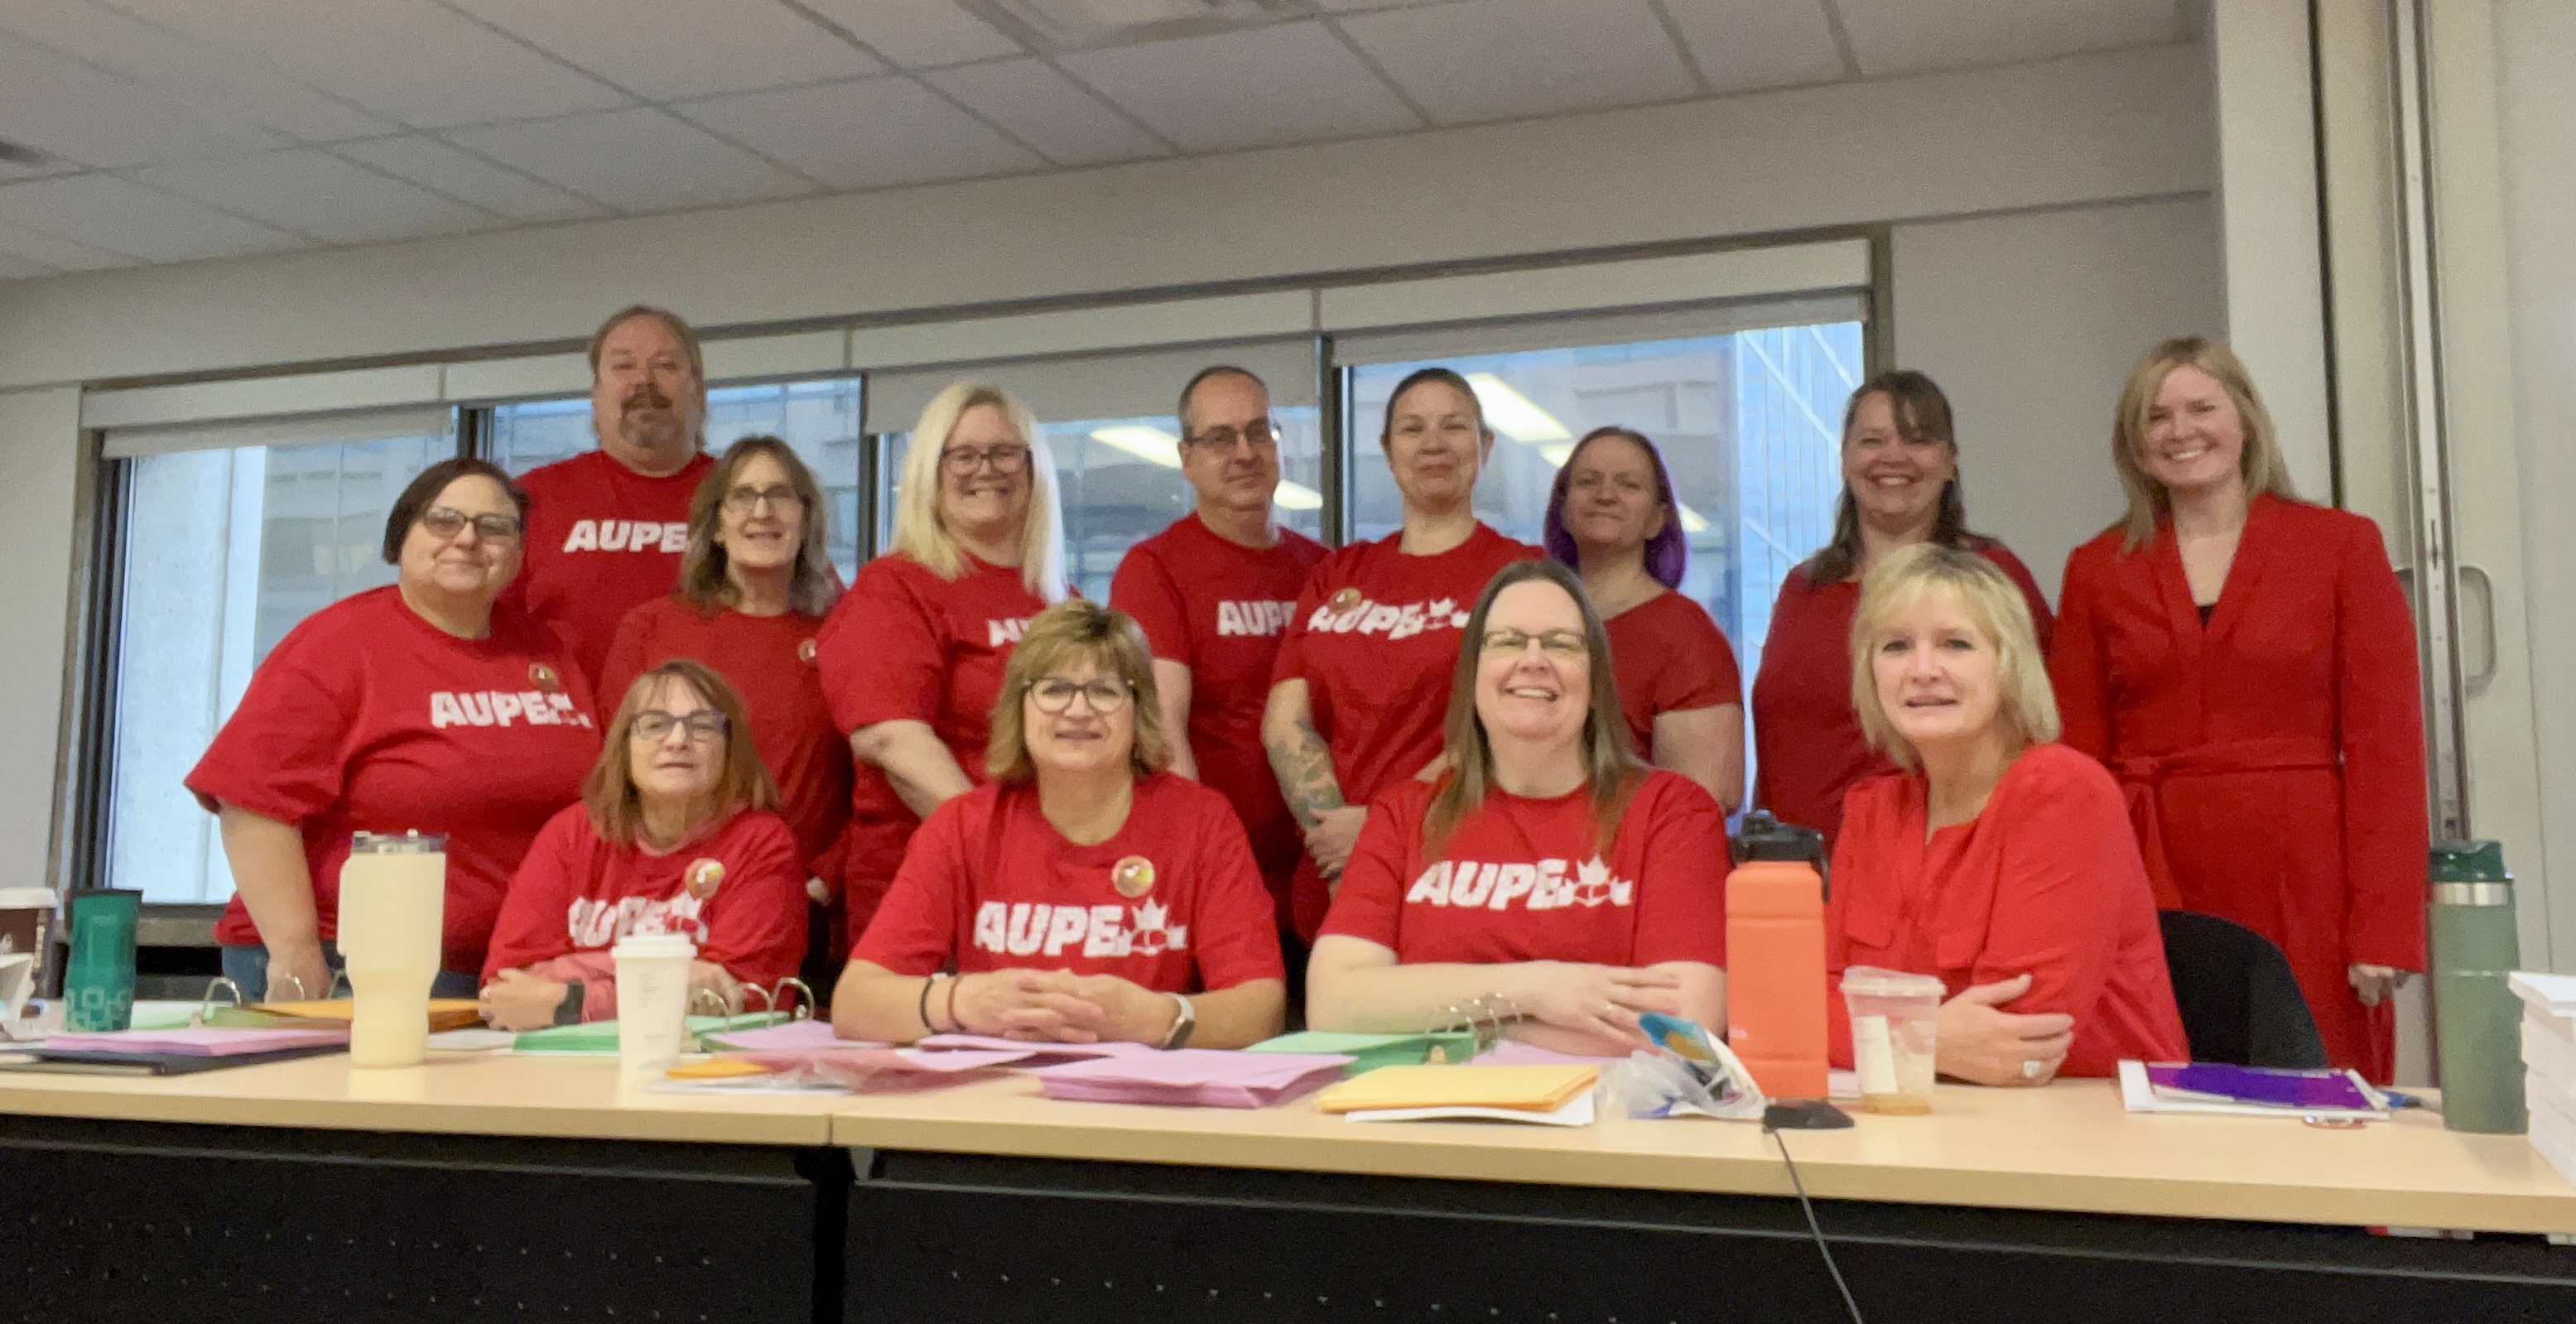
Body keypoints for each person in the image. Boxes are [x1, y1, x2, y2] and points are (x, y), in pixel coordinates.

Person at [2051, 336, 2426, 1083]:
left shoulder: (2340, 546)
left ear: (2245, 420)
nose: (2179, 430)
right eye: (2155, 416)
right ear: (2134, 441)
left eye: (2200, 408)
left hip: (2303, 875)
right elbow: (2072, 764)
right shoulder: (2095, 568)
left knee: (2317, 1084)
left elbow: (2388, 746)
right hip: (2148, 873)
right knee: (2165, 1089)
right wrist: (2070, 914)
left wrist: (2383, 923)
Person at [185, 459, 601, 1003]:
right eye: (444, 520)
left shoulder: (545, 650)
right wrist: (295, 952)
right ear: (400, 537)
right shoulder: (338, 645)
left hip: (505, 973)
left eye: (494, 526)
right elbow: (253, 805)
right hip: (347, 964)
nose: (468, 539)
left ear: (519, 551)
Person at [1304, 560, 1730, 1057]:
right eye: (1507, 641)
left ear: (1595, 681)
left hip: (1603, 1124)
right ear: (1474, 675)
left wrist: (1437, 1021)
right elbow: (1334, 1005)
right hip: (1424, 1121)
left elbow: (1682, 1028)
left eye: (1560, 644)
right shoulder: (1404, 815)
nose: (1533, 660)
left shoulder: (1670, 813)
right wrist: (1539, 990)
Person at [834, 600, 1286, 1047]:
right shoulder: (962, 825)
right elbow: (855, 1003)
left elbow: (1260, 1008)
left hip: (1142, 1101)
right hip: (995, 1095)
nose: (1078, 711)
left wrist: (1154, 1017)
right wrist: (962, 1001)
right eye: (1054, 690)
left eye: (1105, 691)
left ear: (1139, 709)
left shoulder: (1201, 822)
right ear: (1020, 707)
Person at [1830, 543, 2187, 1084]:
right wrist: (1928, 1040)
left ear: (2008, 665)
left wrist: (1878, 1036)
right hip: (1923, 1119)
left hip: (2093, 1128)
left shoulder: (2064, 794)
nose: (1922, 670)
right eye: (1896, 645)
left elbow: (2018, 1044)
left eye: (1955, 644)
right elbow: (1796, 1015)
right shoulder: (1870, 810)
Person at [1264, 367, 1540, 901]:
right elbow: (1286, 723)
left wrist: (1380, 828)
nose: (1434, 443)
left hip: (1458, 874)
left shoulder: (1521, 574)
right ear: (1388, 451)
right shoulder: (1338, 573)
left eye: (1454, 426)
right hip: (1334, 879)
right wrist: (1336, 838)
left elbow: (1506, 732)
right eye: (1413, 429)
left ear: (1485, 446)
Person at [1750, 370, 2054, 843]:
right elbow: (1778, 746)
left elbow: (2041, 723)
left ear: (1951, 462)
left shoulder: (1993, 578)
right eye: (1872, 440)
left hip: (1946, 862)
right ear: (1845, 460)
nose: (1893, 456)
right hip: (1802, 875)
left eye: (1918, 440)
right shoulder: (1804, 589)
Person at [817, 382, 1070, 946]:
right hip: (932, 893)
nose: (987, 469)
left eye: (1006, 452)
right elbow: (894, 743)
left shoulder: (1061, 600)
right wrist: (1006, 858)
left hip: (1051, 894)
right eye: (963, 455)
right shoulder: (894, 588)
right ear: (931, 470)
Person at [600, 436, 852, 976]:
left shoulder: (845, 633)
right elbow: (613, 773)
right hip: (671, 913)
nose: (762, 511)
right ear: (714, 524)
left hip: (805, 912)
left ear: (807, 519)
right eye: (743, 496)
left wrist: (825, 878)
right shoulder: (652, 629)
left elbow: (874, 781)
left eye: (781, 495)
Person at [1111, 366, 1328, 943]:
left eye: (1259, 432)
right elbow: (1163, 727)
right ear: (1187, 458)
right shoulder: (1155, 567)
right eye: (1219, 438)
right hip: (1218, 879)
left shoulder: (1322, 569)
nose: (1244, 452)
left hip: (1322, 873)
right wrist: (1212, 859)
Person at [480, 661, 807, 1028]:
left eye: (701, 726)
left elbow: (733, 999)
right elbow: (505, 992)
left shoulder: (761, 843)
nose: (677, 741)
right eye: (654, 725)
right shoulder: (570, 834)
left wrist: (569, 999)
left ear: (730, 748)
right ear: (624, 746)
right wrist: (673, 978)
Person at [503, 305, 718, 686]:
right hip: (570, 737)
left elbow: (815, 617)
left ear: (699, 392)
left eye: (666, 366)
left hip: (713, 737)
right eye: (623, 367)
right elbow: (474, 629)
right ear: (596, 396)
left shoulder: (748, 500)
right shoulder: (530, 499)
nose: (644, 381)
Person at [1543, 426, 1743, 810]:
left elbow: (1705, 800)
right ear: (1564, 511)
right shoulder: (1534, 623)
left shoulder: (1685, 634)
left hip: (1632, 861)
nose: (1605, 495)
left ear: (1657, 519)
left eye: (1629, 485)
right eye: (1588, 481)